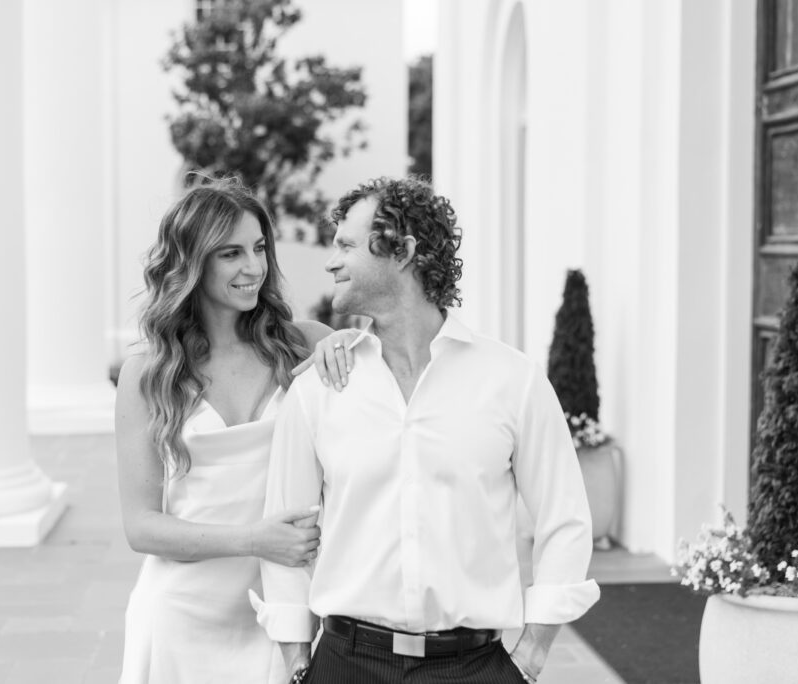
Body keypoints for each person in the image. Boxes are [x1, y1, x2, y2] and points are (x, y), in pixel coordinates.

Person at [254, 177, 600, 684]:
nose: (331, 261)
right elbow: (287, 534)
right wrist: (297, 661)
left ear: (403, 250)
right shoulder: (320, 388)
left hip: (476, 666)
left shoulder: (511, 381)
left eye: (347, 245)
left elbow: (565, 520)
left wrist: (531, 654)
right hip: (346, 663)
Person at [116, 177, 358, 684]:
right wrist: (256, 539)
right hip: (179, 619)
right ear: (192, 263)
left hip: (282, 611)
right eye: (231, 254)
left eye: (259, 248)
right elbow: (142, 527)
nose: (253, 267)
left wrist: (356, 345)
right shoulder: (149, 372)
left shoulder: (305, 345)